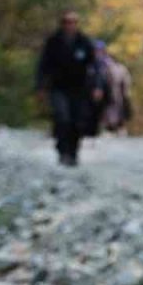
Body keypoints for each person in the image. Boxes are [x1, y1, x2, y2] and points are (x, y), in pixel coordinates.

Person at [36, 10, 103, 167]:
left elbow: (96, 66)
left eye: (73, 22)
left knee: (77, 122)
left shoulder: (84, 42)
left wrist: (98, 86)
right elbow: (42, 66)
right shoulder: (53, 42)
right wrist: (40, 86)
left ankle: (73, 152)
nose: (70, 25)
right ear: (62, 23)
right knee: (62, 117)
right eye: (67, 22)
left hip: (79, 89)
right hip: (58, 87)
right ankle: (62, 150)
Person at [95, 41, 133, 136]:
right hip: (101, 93)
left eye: (100, 50)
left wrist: (126, 94)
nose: (98, 53)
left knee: (116, 111)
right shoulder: (93, 64)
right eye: (96, 51)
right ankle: (107, 129)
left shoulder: (113, 65)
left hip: (114, 92)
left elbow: (123, 80)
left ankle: (118, 129)